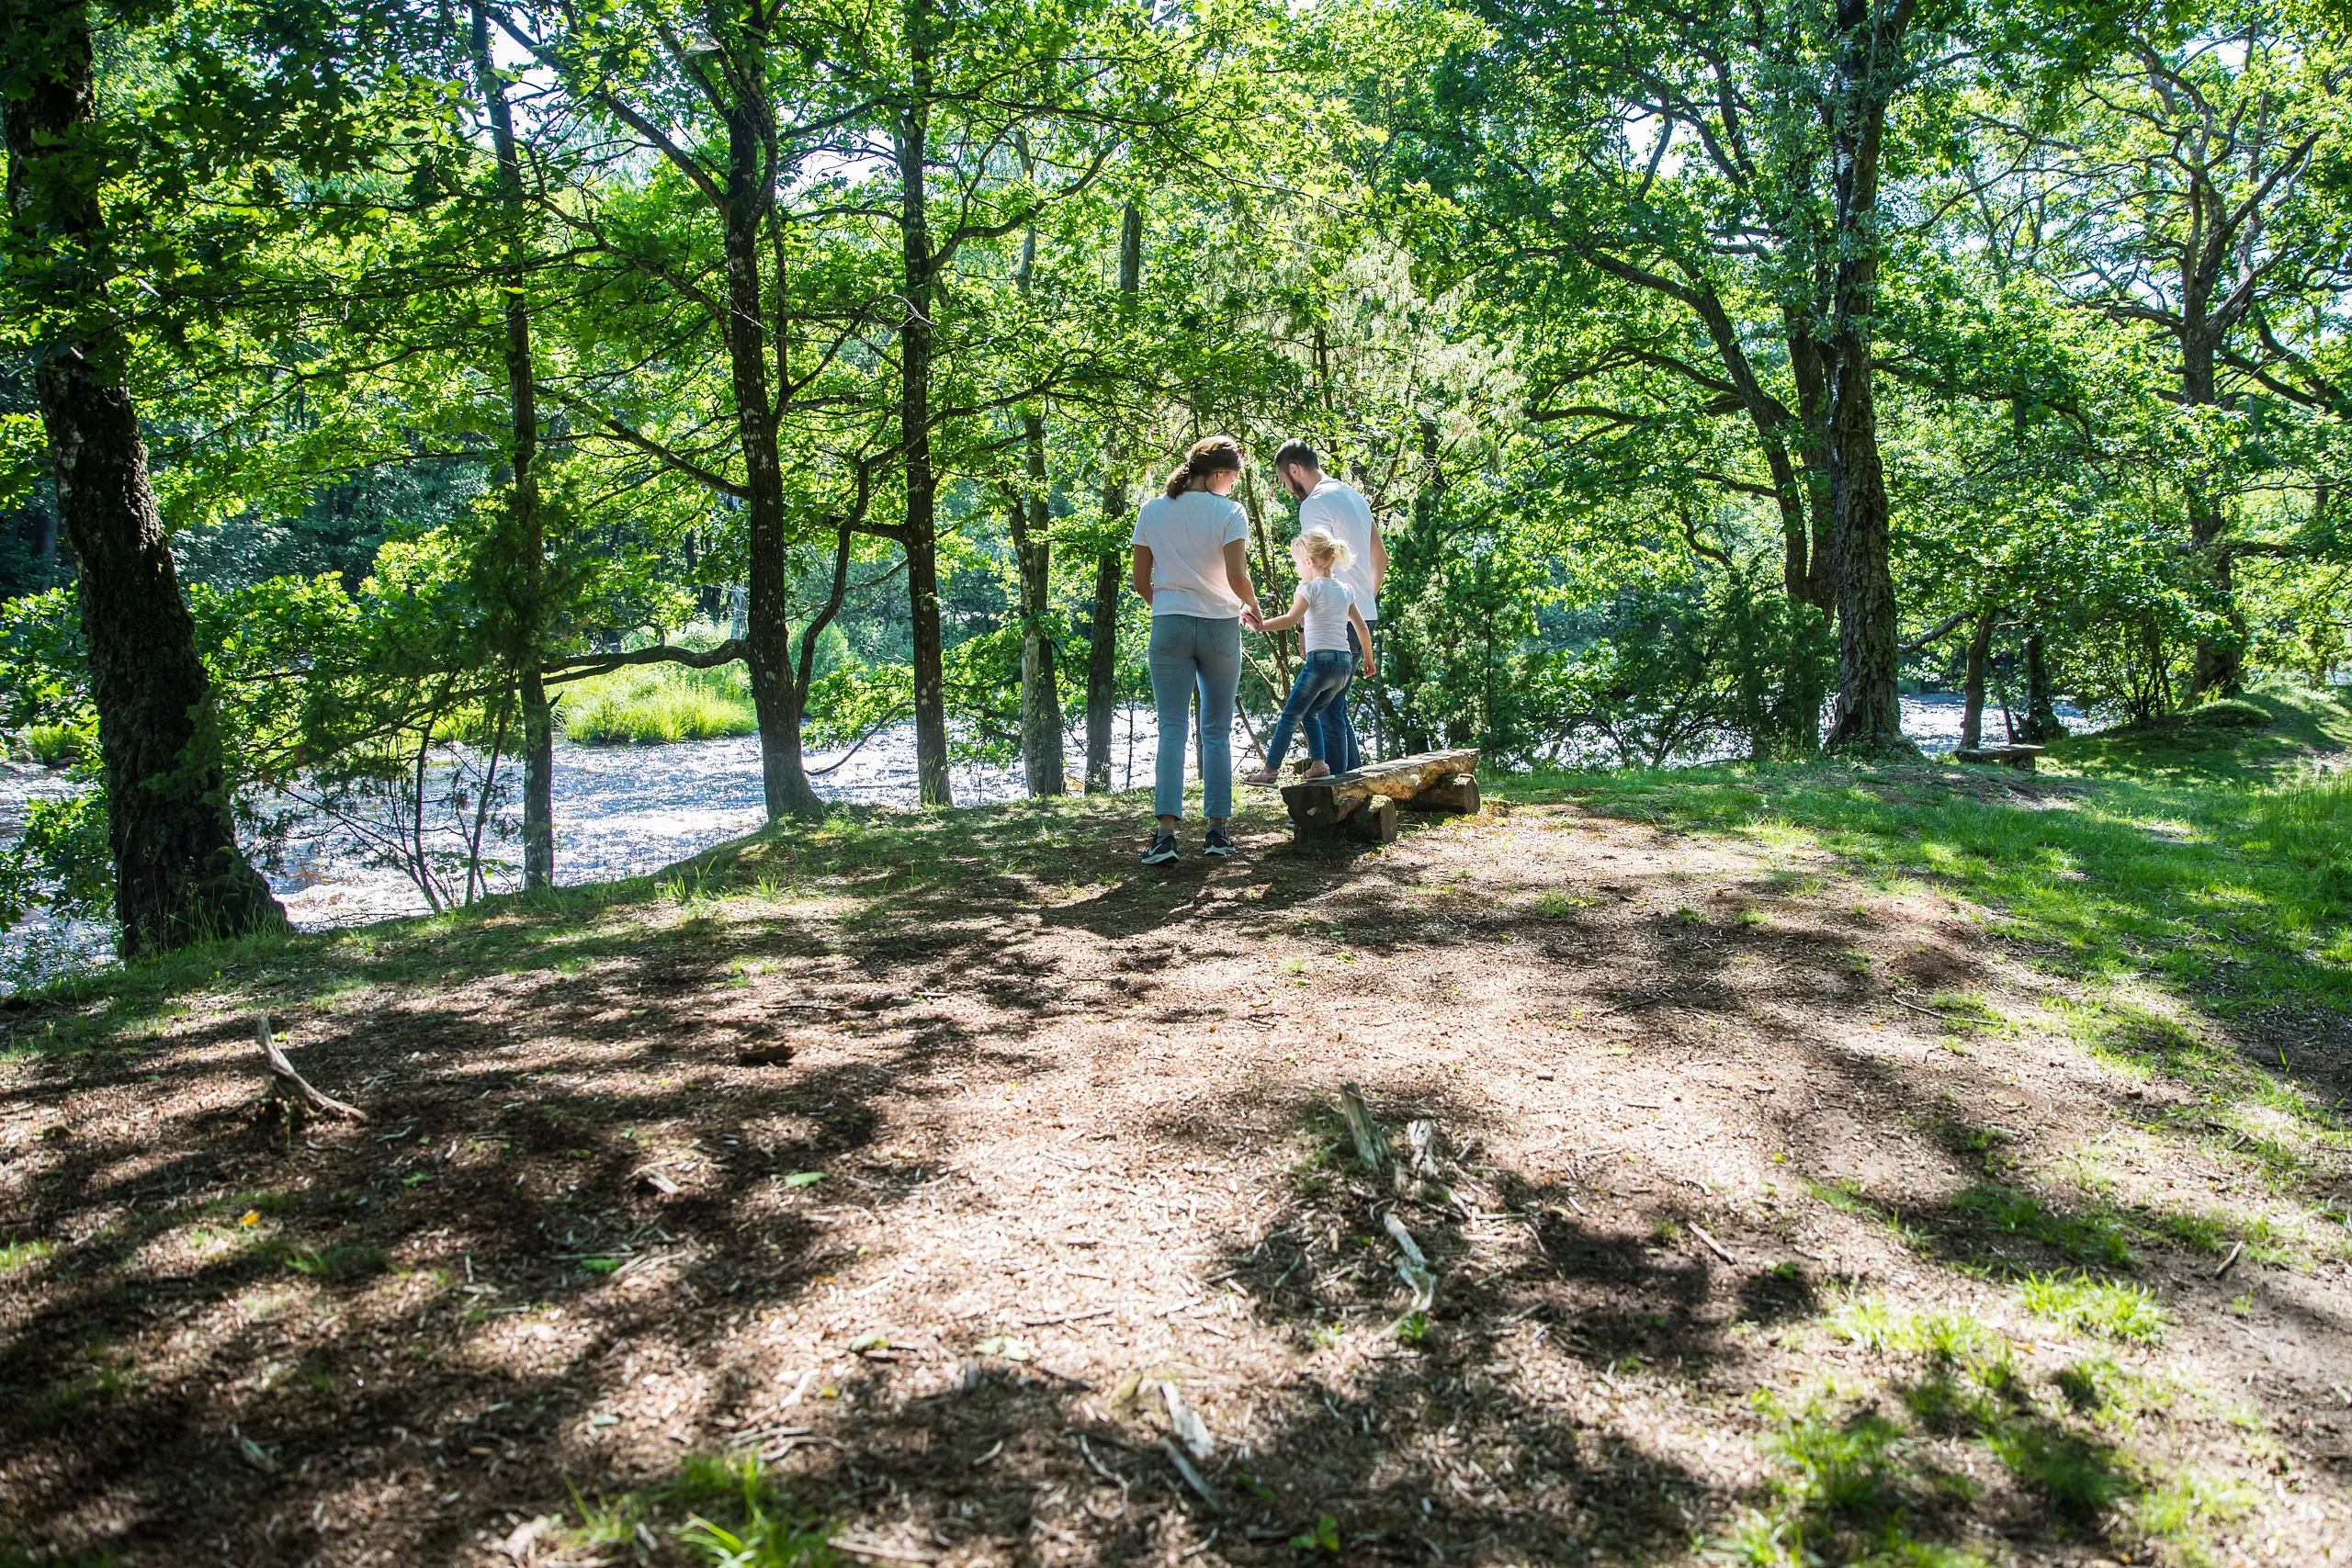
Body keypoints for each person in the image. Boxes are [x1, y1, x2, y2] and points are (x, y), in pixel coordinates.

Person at [1131, 434, 1264, 865]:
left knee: (1171, 729)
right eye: (1234, 478)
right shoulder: (1230, 512)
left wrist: (1169, 609)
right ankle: (1216, 833)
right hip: (1219, 628)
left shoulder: (1152, 509)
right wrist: (1254, 606)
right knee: (1216, 730)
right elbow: (1237, 576)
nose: (1234, 486)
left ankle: (1166, 835)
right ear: (1220, 475)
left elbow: (1140, 581)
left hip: (1167, 625)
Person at [1273, 439, 1384, 774]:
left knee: (1323, 711)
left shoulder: (1314, 505)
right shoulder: (1353, 495)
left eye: (1284, 482)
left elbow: (1313, 570)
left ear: (1295, 470)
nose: (1287, 489)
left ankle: (1335, 796)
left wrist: (1307, 628)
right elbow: (1380, 555)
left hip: (1332, 617)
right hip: (1361, 612)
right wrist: (1364, 600)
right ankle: (1354, 790)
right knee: (1336, 709)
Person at [1241, 528, 1374, 784]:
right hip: (1344, 665)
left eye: (1297, 562)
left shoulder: (1309, 588)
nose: (1297, 568)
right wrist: (1368, 659)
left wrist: (1261, 625)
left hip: (1320, 663)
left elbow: (1292, 619)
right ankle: (1319, 765)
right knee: (1312, 713)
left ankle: (1269, 771)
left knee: (1290, 716)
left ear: (1309, 561)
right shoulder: (1345, 589)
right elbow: (1360, 627)